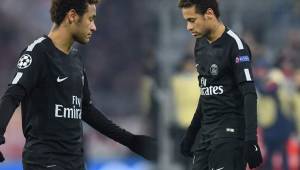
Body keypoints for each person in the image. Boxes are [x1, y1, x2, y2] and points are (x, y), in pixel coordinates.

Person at [0, 0, 156, 169]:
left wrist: (131, 140)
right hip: (45, 163)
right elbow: (12, 96)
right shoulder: (37, 53)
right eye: (90, 19)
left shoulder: (75, 60)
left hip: (76, 163)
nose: (94, 27)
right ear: (72, 16)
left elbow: (86, 110)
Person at [178, 0, 263, 169]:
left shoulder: (235, 46)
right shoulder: (200, 44)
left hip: (230, 135)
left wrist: (251, 140)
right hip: (206, 135)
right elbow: (206, 93)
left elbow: (249, 93)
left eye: (192, 20)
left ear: (209, 14)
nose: (188, 27)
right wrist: (191, 134)